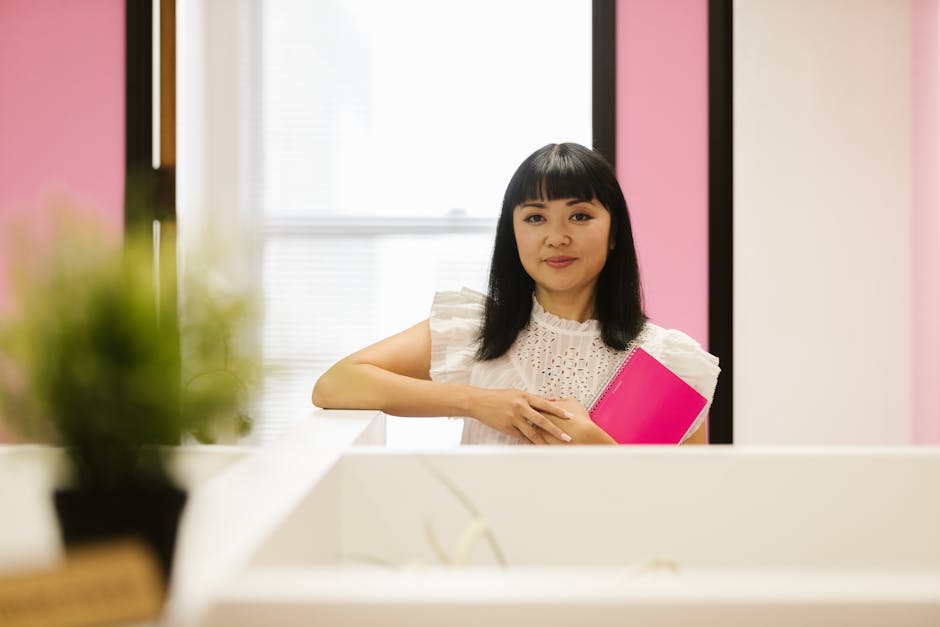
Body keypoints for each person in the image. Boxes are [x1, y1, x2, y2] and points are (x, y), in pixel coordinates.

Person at [312, 142, 719, 445]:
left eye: (580, 216)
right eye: (535, 218)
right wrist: (478, 401)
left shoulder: (665, 360)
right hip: (484, 554)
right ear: (514, 233)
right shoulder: (477, 330)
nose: (557, 237)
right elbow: (336, 384)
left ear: (614, 233)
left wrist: (593, 445)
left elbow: (686, 504)